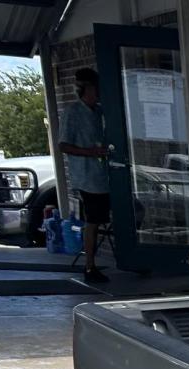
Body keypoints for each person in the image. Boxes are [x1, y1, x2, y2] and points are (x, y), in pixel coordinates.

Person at [57, 68, 111, 284]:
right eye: (96, 87)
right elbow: (63, 145)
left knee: (133, 209)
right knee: (93, 221)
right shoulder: (73, 112)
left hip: (106, 174)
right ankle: (89, 265)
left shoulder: (100, 111)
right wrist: (90, 152)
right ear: (88, 88)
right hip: (88, 178)